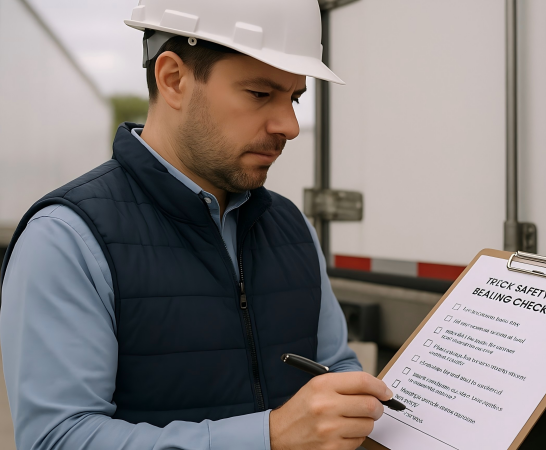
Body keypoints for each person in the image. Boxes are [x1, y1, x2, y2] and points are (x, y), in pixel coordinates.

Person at [0, 1, 390, 449]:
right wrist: (268, 437)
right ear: (173, 79)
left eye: (294, 97)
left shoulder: (292, 226)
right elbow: (58, 439)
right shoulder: (67, 238)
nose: (290, 125)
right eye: (261, 94)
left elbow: (334, 365)